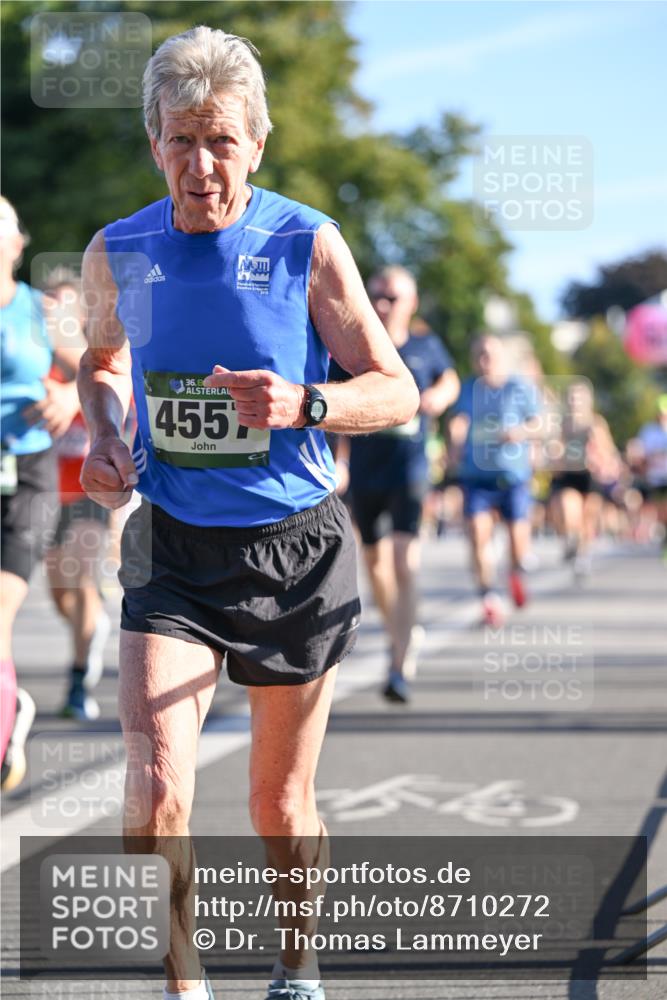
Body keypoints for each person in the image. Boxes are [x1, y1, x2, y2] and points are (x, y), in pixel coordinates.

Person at [77, 26, 419, 1000]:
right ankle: (185, 982)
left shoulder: (304, 241)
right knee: (156, 790)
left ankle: (296, 959)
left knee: (278, 801)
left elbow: (396, 391)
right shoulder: (120, 250)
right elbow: (102, 364)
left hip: (292, 552)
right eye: (181, 139)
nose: (201, 164)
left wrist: (305, 403)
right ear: (153, 143)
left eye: (221, 140)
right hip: (173, 548)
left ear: (256, 144)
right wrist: (109, 432)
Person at [331, 267, 459, 703]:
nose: (383, 304)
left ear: (412, 303)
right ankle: (401, 628)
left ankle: (399, 664)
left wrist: (440, 396)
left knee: (404, 560)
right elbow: (337, 402)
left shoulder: (425, 345)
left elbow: (450, 379)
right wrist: (339, 460)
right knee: (376, 566)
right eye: (377, 296)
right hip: (367, 469)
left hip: (410, 469)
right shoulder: (357, 347)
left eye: (392, 297)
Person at [0, 197, 81, 791]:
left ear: (18, 244)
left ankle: (2, 741)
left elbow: (101, 367)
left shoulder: (40, 311)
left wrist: (70, 399)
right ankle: (12, 708)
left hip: (26, 472)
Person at [41, 269, 112, 720]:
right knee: (59, 593)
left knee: (84, 581)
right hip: (47, 492)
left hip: (92, 489)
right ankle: (93, 629)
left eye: (67, 307)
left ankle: (77, 681)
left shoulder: (101, 365)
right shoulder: (33, 364)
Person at [449, 333, 541, 626]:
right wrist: (455, 436)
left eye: (489, 354)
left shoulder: (518, 387)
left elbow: (538, 422)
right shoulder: (468, 389)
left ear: (501, 357)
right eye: (479, 355)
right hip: (476, 476)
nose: (484, 361)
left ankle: (515, 572)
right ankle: (488, 595)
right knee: (477, 532)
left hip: (512, 475)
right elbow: (459, 419)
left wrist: (521, 433)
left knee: (517, 541)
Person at [549, 380, 623, 579]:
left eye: (579, 398)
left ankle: (581, 555)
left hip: (590, 476)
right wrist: (556, 454)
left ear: (588, 401)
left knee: (587, 519)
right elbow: (554, 449)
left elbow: (609, 451)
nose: (575, 402)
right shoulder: (562, 423)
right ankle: (568, 540)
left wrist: (603, 460)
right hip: (568, 475)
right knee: (566, 508)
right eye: (571, 398)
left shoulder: (595, 423)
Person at [636, 394, 667, 561]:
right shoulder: (649, 431)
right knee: (661, 512)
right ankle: (664, 537)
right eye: (660, 413)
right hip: (655, 478)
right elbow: (641, 454)